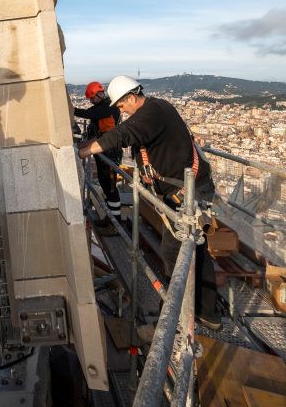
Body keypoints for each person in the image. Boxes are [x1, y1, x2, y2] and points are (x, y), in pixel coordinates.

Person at [78, 75, 222, 330]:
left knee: (174, 250)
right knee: (195, 248)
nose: (120, 110)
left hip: (189, 192)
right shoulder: (154, 111)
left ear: (132, 97)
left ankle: (175, 313)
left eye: (122, 105)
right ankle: (206, 311)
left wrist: (85, 150)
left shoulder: (153, 111)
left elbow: (122, 135)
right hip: (183, 189)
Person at [73, 81, 123, 224]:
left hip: (111, 151)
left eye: (92, 98)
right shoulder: (103, 106)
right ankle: (111, 218)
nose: (91, 101)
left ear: (99, 95)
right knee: (105, 183)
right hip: (106, 150)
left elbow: (89, 114)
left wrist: (72, 110)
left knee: (110, 186)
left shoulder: (108, 106)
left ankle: (116, 221)